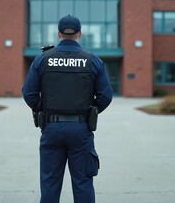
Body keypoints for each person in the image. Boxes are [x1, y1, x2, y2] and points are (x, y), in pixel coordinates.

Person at [22, 14, 113, 203]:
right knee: (83, 183)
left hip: (51, 128)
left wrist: (44, 109)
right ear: (80, 33)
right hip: (81, 130)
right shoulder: (93, 60)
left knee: (49, 184)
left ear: (58, 34)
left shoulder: (42, 59)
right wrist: (91, 111)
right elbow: (105, 96)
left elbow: (29, 93)